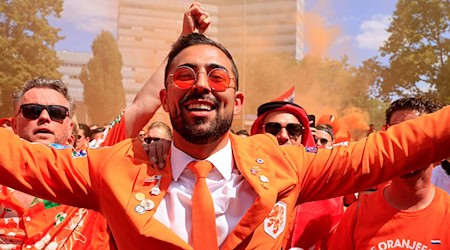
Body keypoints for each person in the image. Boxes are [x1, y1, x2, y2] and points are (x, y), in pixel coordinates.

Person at [0, 32, 449, 250]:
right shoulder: (113, 167)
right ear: (165, 96)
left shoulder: (283, 165)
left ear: (236, 99)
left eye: (216, 76)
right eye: (184, 75)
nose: (201, 85)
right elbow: (16, 160)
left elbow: (393, 148)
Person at [3, 77, 114, 249]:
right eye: (32, 111)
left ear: (70, 127)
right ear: (15, 124)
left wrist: (158, 146)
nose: (44, 117)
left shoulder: (91, 173)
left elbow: (142, 105)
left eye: (56, 112)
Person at [328, 96, 450, 249]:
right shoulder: (358, 215)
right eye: (398, 134)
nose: (407, 146)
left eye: (418, 135)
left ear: (437, 141)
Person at [251, 101, 343, 249]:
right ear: (258, 132)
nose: (283, 136)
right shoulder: (237, 182)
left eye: (293, 130)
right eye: (273, 128)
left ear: (303, 136)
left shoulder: (329, 196)